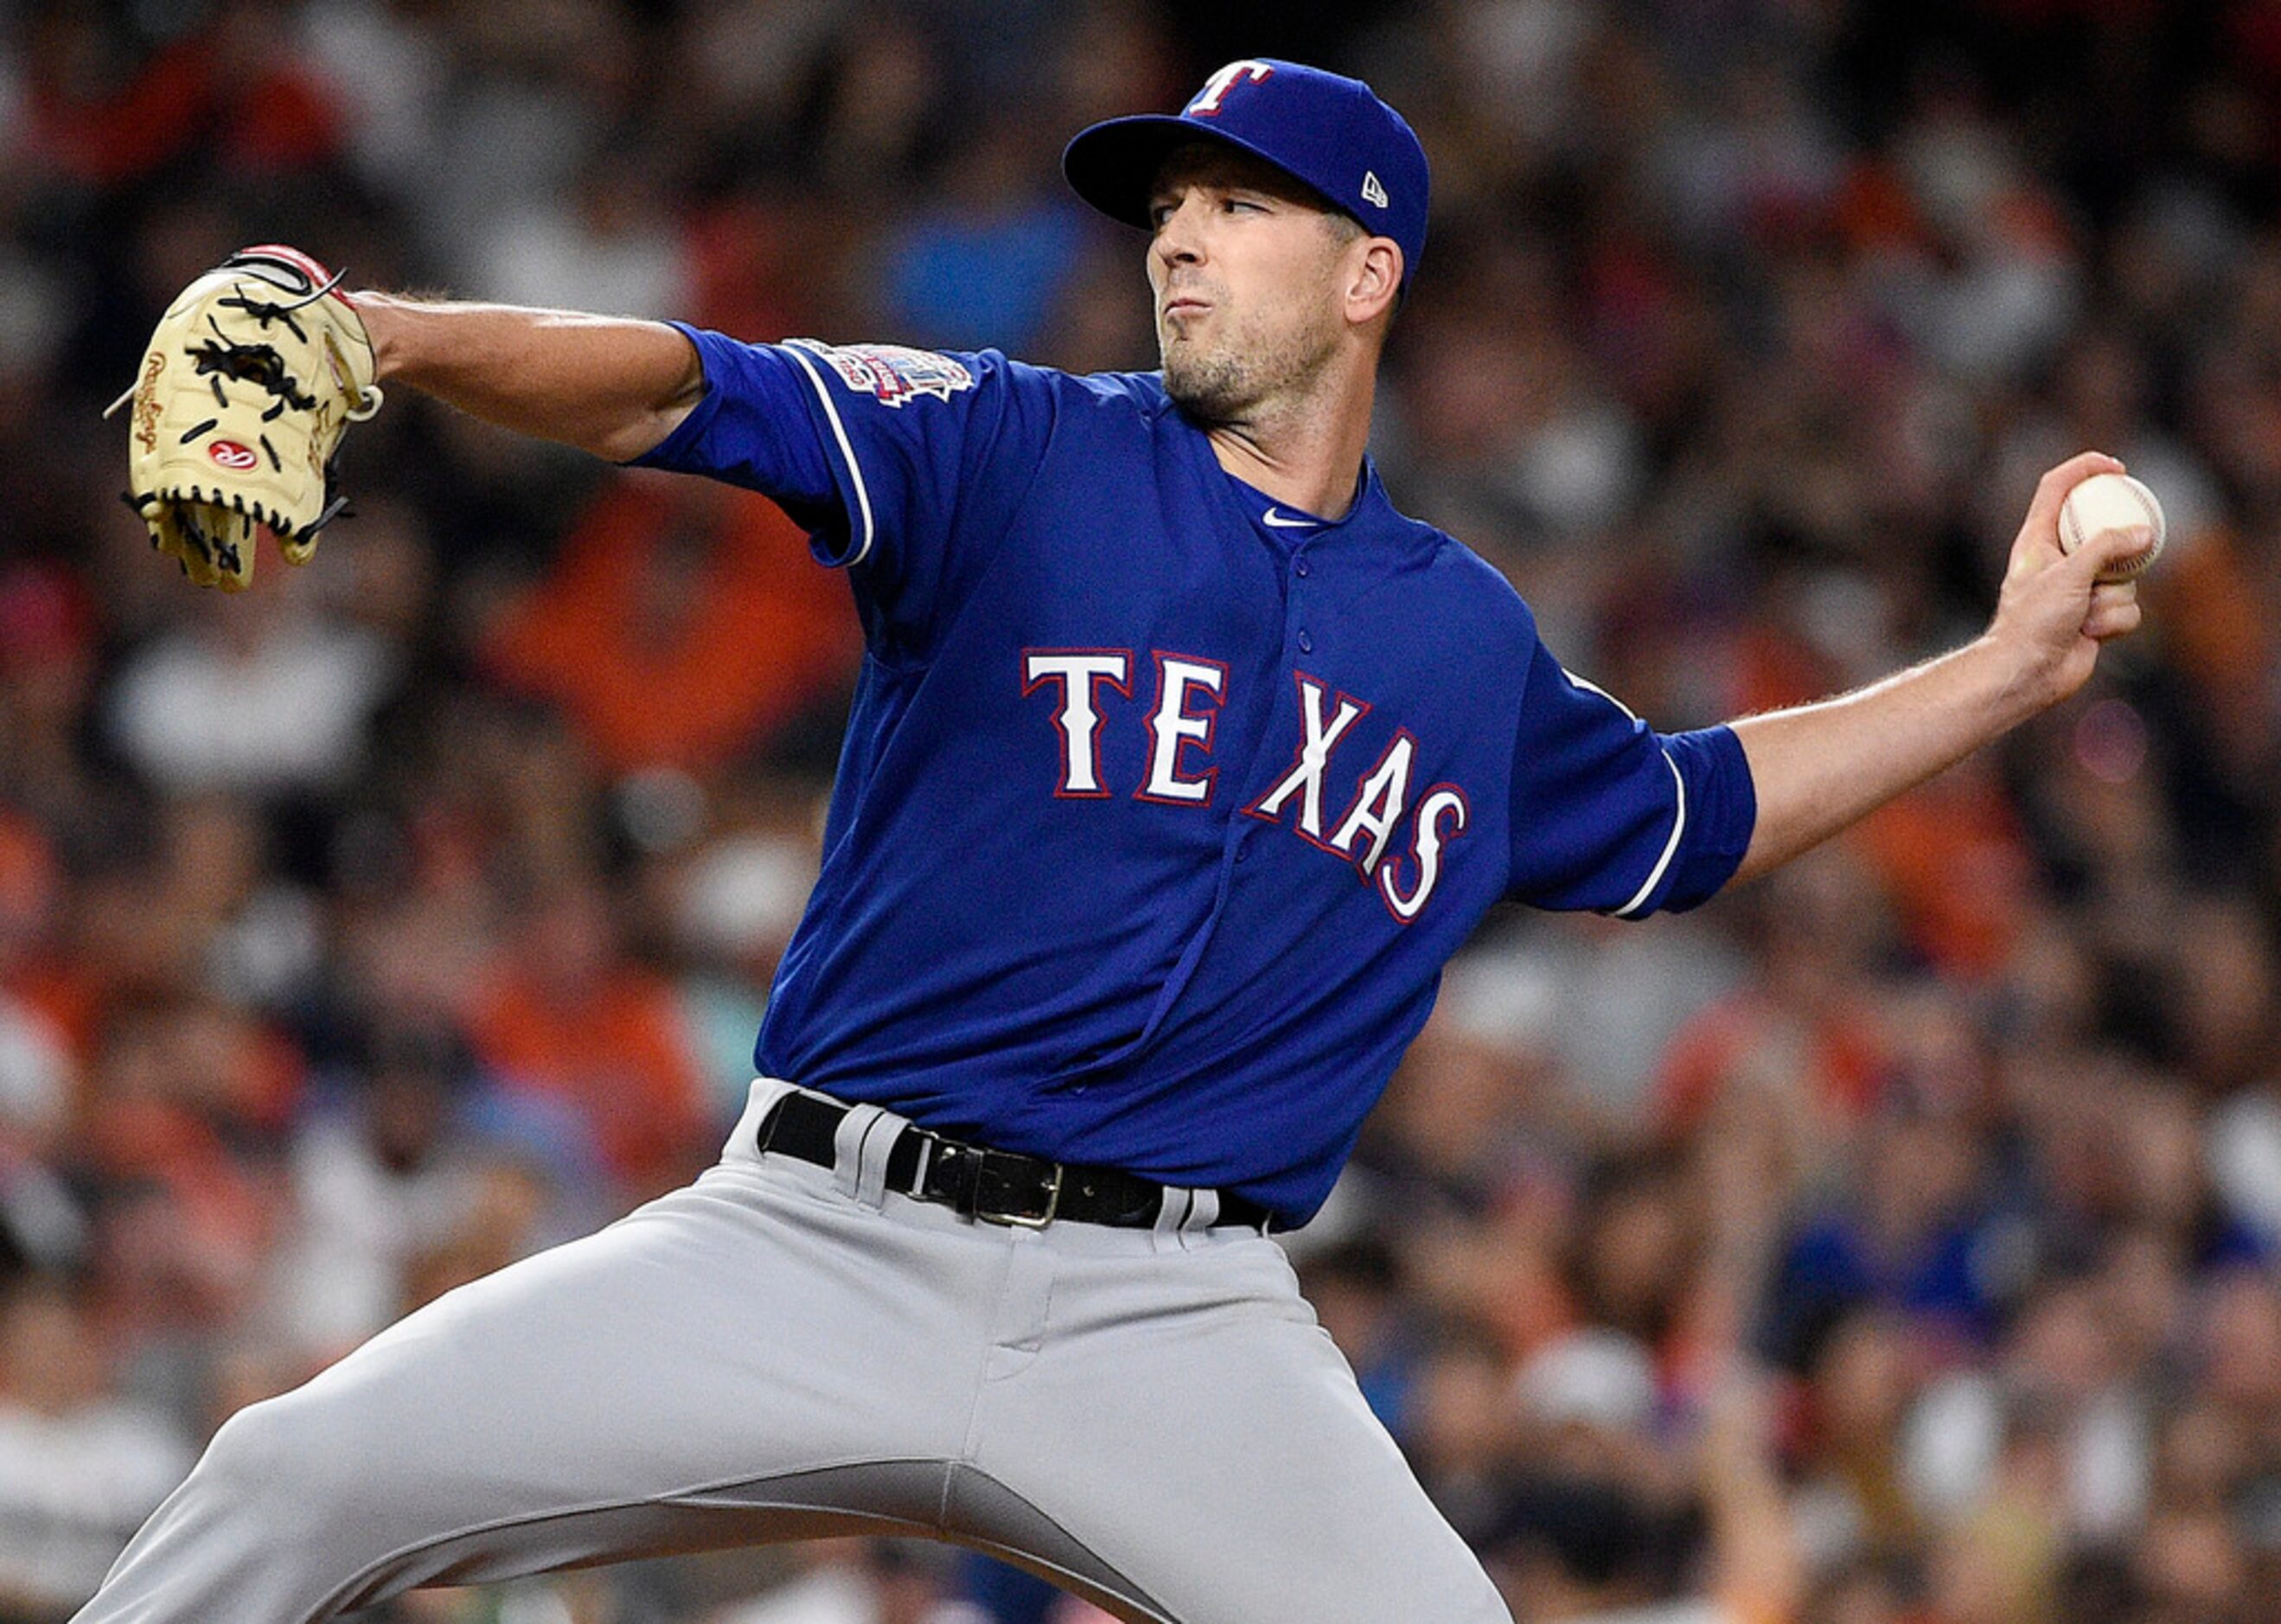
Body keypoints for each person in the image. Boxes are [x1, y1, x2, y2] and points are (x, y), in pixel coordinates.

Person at [73, 59, 2144, 1624]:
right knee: (290, 1478)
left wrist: (2004, 666)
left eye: (1238, 207)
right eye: (1167, 203)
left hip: (1183, 1323)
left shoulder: (1459, 639)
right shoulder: (1008, 446)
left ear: (1365, 272)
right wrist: (383, 334)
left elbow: (1690, 818)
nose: (1175, 236)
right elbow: (678, 394)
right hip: (811, 1240)